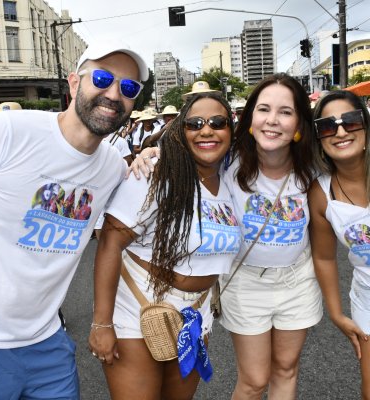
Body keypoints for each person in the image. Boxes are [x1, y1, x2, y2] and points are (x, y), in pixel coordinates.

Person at [0, 39, 148, 399]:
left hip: (47, 344)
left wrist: (152, 156)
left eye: (128, 87)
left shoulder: (113, 168)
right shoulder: (4, 132)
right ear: (73, 83)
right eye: (102, 78)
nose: (114, 93)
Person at [133, 73, 323, 400]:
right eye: (264, 110)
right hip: (246, 282)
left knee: (287, 369)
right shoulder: (228, 160)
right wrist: (150, 154)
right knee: (254, 380)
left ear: (299, 124)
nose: (273, 121)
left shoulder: (313, 164)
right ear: (249, 119)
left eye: (286, 112)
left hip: (299, 279)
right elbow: (189, 148)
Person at [89, 92, 241, 400]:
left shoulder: (232, 177)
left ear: (230, 130)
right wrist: (102, 323)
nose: (207, 130)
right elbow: (110, 243)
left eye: (218, 122)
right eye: (195, 123)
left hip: (196, 315)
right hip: (138, 307)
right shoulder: (157, 174)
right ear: (181, 132)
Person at [308, 90, 370, 398]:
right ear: (318, 136)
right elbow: (324, 258)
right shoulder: (321, 193)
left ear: (365, 125)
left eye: (351, 120)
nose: (341, 131)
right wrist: (336, 313)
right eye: (328, 126)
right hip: (367, 299)